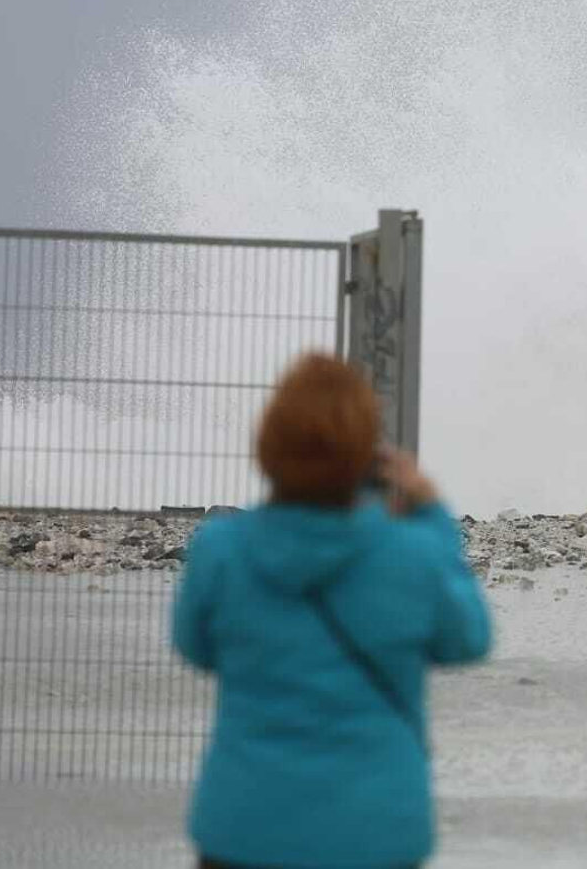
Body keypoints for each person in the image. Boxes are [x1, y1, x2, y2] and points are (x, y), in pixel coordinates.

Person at [171, 353, 492, 869]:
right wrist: (431, 513)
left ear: (269, 445)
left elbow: (195, 648)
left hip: (244, 831)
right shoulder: (412, 553)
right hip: (374, 835)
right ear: (367, 456)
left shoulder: (222, 549)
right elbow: (469, 640)